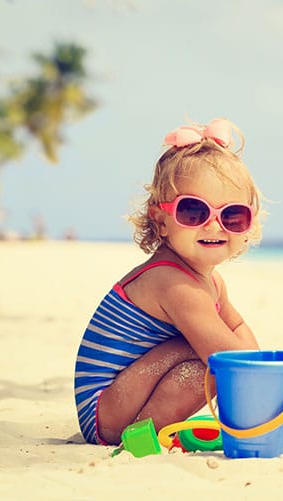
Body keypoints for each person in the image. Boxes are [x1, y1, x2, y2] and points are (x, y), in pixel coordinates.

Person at [74, 118, 262, 445]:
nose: (214, 227)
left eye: (232, 216)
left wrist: (254, 367)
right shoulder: (173, 283)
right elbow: (230, 359)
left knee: (212, 358)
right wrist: (262, 383)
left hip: (125, 393)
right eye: (193, 213)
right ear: (161, 221)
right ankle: (142, 434)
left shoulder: (212, 282)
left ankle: (152, 428)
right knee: (211, 363)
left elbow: (240, 333)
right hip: (104, 409)